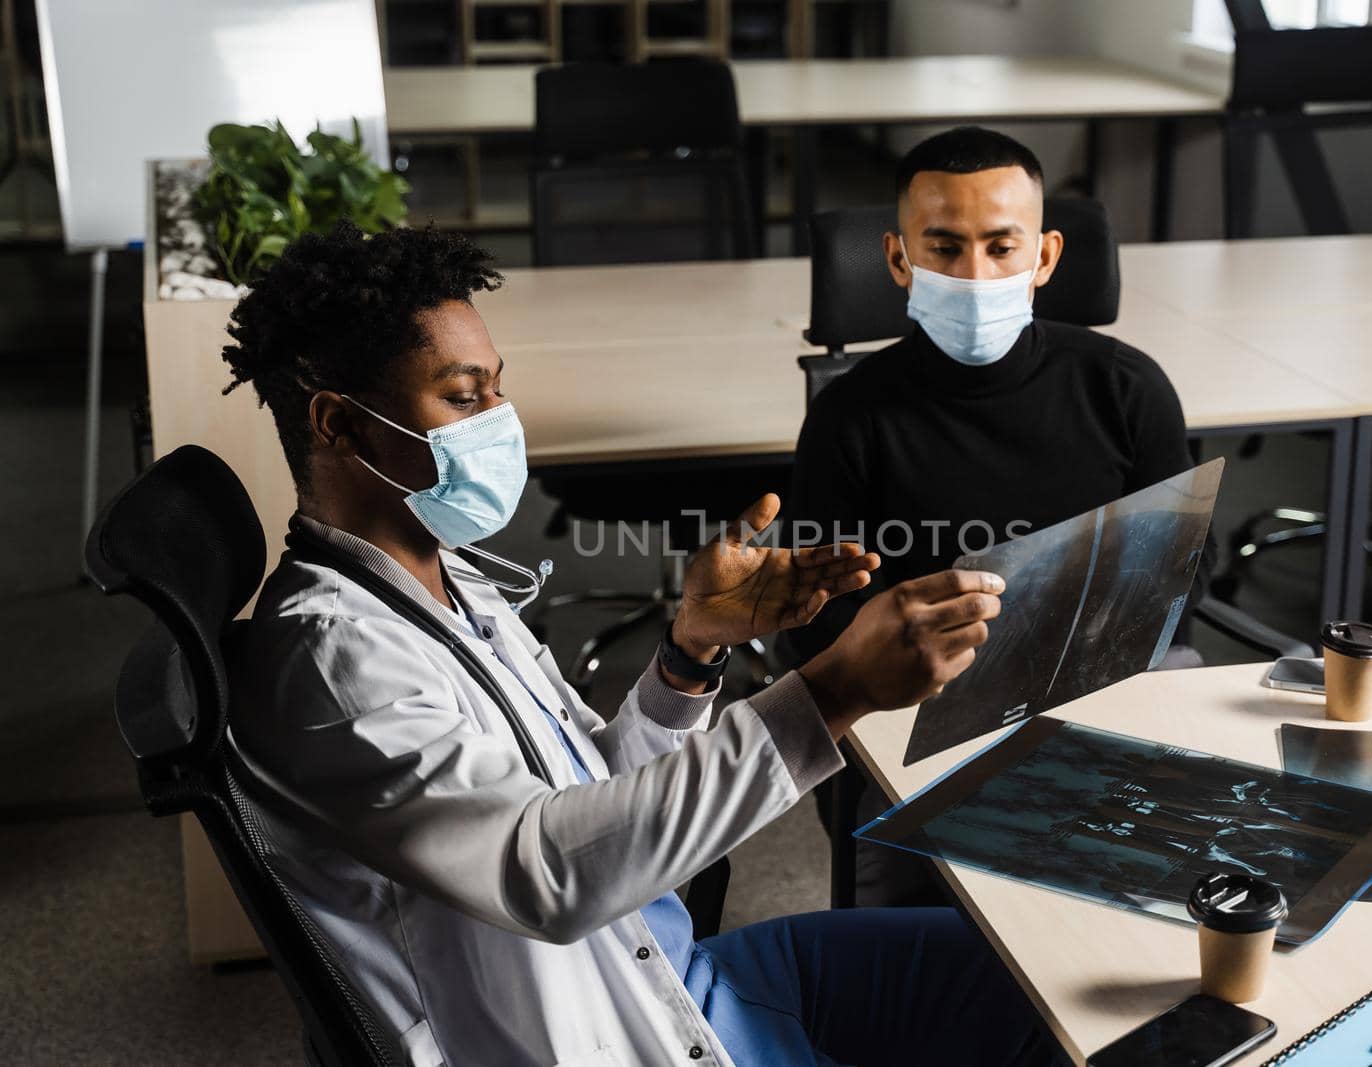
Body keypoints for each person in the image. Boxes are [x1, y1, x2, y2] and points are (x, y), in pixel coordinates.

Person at [221, 221, 1063, 1066]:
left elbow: (589, 794)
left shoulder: (443, 579)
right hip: (624, 1037)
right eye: (464, 396)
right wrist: (833, 690)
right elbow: (549, 871)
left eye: (498, 388)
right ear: (339, 423)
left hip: (676, 975)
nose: (502, 419)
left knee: (1033, 974)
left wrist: (688, 657)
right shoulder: (340, 663)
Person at [780, 126, 1209, 907]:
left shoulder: (1127, 390)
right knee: (941, 941)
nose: (974, 274)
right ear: (898, 259)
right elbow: (811, 623)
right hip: (921, 719)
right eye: (943, 248)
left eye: (1000, 248)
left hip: (1095, 705)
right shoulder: (851, 417)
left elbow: (1176, 595)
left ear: (1043, 257)